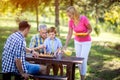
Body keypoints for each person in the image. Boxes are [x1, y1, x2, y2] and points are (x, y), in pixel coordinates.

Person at [63, 6, 92, 80]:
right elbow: (69, 33)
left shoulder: (83, 19)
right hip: (77, 42)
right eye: (68, 16)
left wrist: (86, 33)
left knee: (83, 60)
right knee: (78, 61)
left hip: (86, 42)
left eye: (70, 15)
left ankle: (82, 78)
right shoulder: (71, 21)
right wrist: (65, 45)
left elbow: (90, 29)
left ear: (74, 13)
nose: (69, 17)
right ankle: (81, 76)